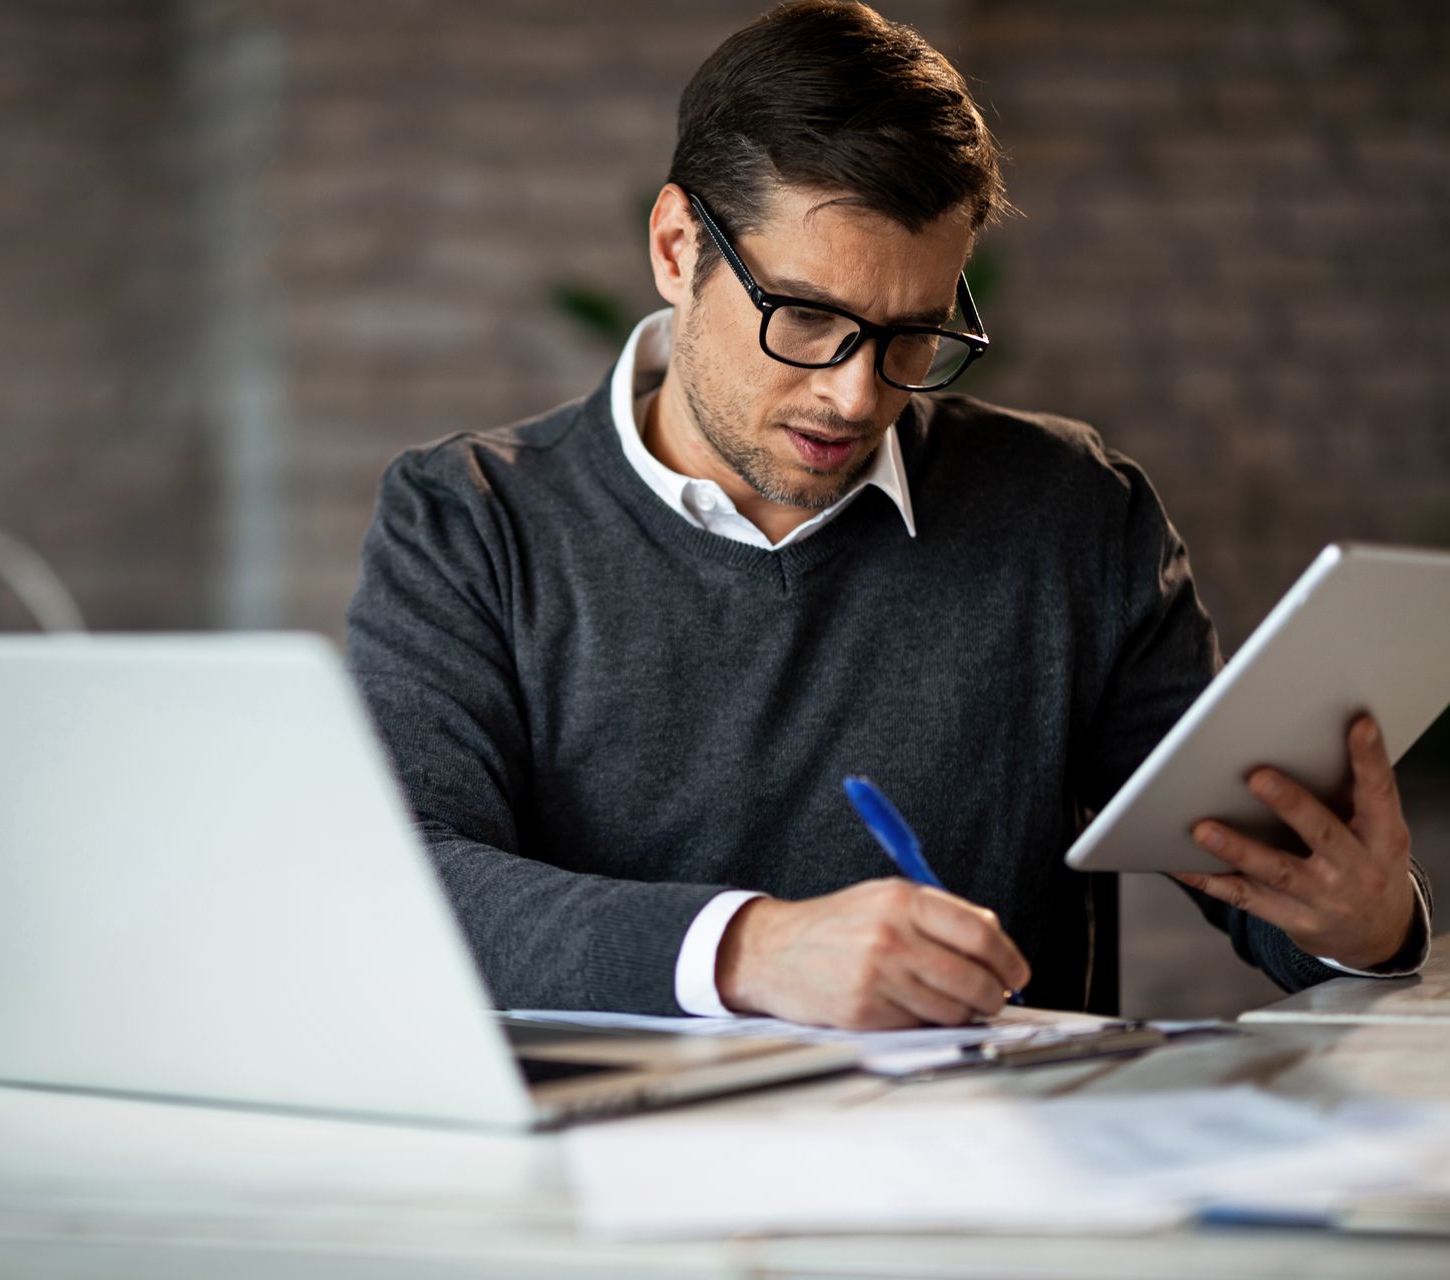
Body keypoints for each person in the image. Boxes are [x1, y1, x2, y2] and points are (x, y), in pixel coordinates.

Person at [343, 0, 1431, 1027]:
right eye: (809, 318)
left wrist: (1361, 923)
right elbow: (405, 880)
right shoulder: (468, 520)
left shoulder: (1074, 514)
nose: (858, 394)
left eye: (913, 333)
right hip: (604, 1190)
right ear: (677, 249)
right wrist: (749, 949)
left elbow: (1256, 880)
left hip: (984, 1178)